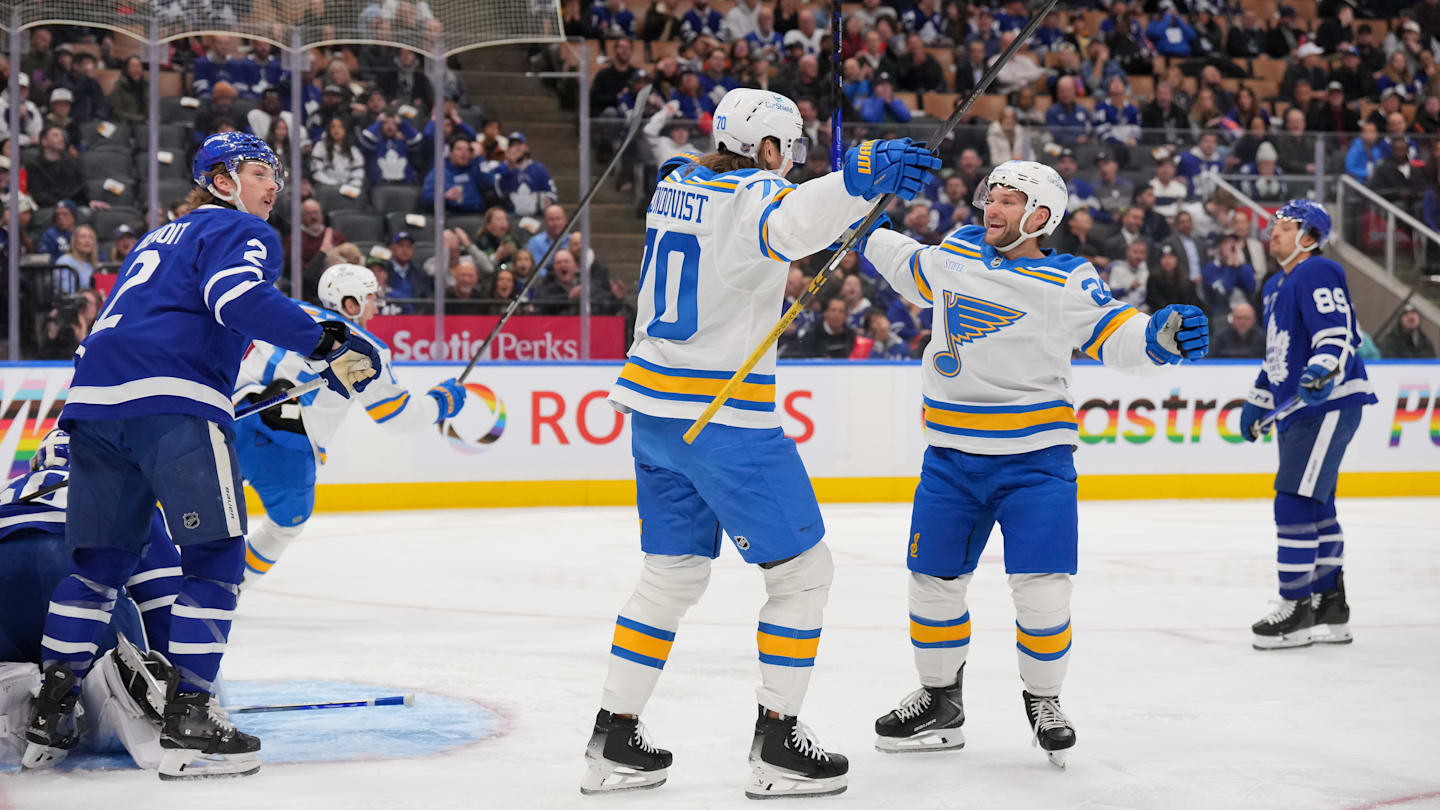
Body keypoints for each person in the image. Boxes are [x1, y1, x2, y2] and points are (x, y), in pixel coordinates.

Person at [590, 88, 939, 798]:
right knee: (804, 576)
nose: (791, 161)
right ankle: (778, 743)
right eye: (789, 147)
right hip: (723, 418)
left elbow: (774, 215)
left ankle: (613, 739)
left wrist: (850, 191)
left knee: (672, 576)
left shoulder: (677, 180)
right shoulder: (756, 199)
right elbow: (787, 217)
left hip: (653, 413)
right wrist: (858, 177)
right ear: (771, 148)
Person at [20, 132, 382, 781]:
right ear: (219, 179)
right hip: (174, 403)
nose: (272, 185)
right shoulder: (238, 231)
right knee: (216, 555)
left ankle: (51, 709)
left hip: (95, 408)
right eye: (257, 171)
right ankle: (191, 715)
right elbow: (236, 301)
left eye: (276, 172)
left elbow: (119, 329)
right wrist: (328, 340)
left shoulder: (156, 240)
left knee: (98, 569)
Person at [859, 159, 1209, 767]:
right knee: (932, 585)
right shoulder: (953, 254)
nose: (989, 208)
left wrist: (1160, 340)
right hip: (949, 459)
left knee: (1043, 594)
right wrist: (860, 216)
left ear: (1040, 216)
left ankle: (1044, 699)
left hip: (1035, 464)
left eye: (1006, 200)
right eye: (989, 197)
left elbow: (1116, 333)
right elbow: (900, 259)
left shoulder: (1069, 279)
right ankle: (941, 702)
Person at [235, 264, 466, 584]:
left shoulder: (286, 308)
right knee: (286, 524)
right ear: (350, 303)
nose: (376, 306)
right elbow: (400, 419)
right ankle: (230, 586)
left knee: (191, 504)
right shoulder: (365, 349)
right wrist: (441, 402)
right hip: (287, 445)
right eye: (369, 298)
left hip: (233, 417)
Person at [0, 429, 186, 773]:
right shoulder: (126, 492)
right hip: (69, 576)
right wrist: (179, 686)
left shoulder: (6, 493)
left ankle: (12, 684)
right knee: (105, 617)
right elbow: (163, 596)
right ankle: (111, 689)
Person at [1239, 200, 1377, 651]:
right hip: (1298, 408)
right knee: (1316, 505)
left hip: (1325, 401)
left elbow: (1337, 332)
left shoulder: (1317, 270)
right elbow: (1276, 353)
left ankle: (1296, 607)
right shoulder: (1276, 284)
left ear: (1309, 235)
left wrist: (1322, 369)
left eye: (1284, 224)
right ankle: (1331, 605)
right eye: (1273, 224)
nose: (1273, 231)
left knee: (1293, 500)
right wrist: (1259, 400)